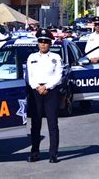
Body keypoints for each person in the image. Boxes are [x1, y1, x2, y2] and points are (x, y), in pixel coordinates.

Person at [26, 28, 62, 163]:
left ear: (50, 43)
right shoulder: (32, 57)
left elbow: (58, 76)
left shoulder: (56, 57)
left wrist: (46, 87)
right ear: (37, 43)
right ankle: (35, 152)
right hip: (36, 91)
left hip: (51, 92)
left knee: (52, 124)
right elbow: (29, 76)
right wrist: (38, 87)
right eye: (41, 41)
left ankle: (53, 154)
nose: (43, 44)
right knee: (35, 124)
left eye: (46, 42)